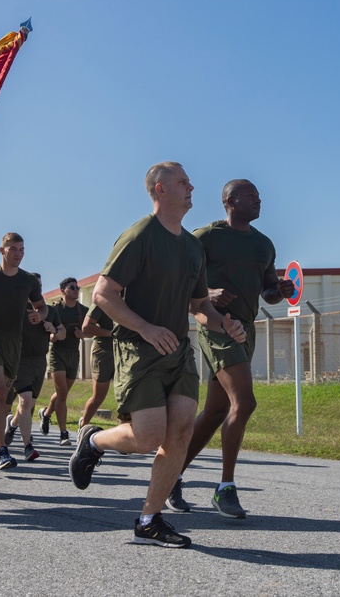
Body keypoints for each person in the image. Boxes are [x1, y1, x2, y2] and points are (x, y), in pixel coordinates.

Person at [69, 161, 246, 549]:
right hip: (139, 349)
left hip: (178, 351)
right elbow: (103, 293)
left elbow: (199, 304)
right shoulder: (140, 236)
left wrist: (223, 324)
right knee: (148, 437)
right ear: (160, 189)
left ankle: (149, 519)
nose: (191, 186)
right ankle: (94, 442)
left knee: (180, 432)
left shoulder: (192, 246)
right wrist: (145, 328)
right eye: (183, 181)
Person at [169, 179, 295, 519]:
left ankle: (170, 476)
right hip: (216, 326)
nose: (258, 200)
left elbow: (268, 291)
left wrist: (279, 289)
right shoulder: (205, 237)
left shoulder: (264, 245)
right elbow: (179, 277)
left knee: (213, 413)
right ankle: (225, 488)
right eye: (251, 195)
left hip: (246, 330)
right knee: (245, 401)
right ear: (230, 200)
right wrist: (206, 294)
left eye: (259, 195)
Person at [0, 233, 48, 468]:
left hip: (15, 344)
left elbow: (42, 306)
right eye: (13, 249)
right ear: (2, 250)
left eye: (22, 249)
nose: (18, 253)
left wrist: (39, 315)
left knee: (2, 401)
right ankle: (1, 450)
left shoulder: (29, 281)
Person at [3, 280, 63, 461]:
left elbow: (62, 333)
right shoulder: (16, 308)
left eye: (38, 286)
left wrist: (53, 330)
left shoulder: (50, 311)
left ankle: (12, 424)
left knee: (28, 406)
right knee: (26, 401)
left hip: (39, 362)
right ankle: (28, 446)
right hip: (21, 360)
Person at [40, 277, 88, 446]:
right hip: (57, 353)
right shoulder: (55, 310)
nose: (76, 290)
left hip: (73, 355)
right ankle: (63, 433)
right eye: (72, 287)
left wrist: (84, 334)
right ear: (62, 291)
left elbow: (90, 329)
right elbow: (45, 329)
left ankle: (45, 414)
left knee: (63, 393)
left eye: (77, 287)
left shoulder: (83, 310)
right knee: (62, 394)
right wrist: (52, 335)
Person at [78, 304, 114, 428]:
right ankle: (83, 425)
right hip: (104, 352)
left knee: (126, 397)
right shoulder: (102, 299)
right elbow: (87, 327)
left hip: (125, 351)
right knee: (98, 397)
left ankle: (125, 437)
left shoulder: (132, 297)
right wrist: (113, 334)